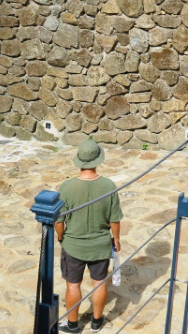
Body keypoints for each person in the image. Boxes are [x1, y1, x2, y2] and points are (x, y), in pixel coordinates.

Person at [55, 138, 122, 333]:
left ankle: (73, 325)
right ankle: (96, 322)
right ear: (97, 160)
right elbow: (115, 219)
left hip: (73, 246)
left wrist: (61, 238)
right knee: (99, 282)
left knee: (73, 285)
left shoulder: (66, 187)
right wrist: (116, 239)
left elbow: (59, 222)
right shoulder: (109, 186)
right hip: (100, 245)